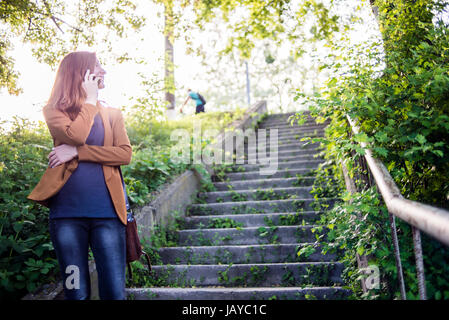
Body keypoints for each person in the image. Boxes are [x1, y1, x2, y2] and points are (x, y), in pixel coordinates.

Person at [27, 51, 132, 300]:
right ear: (81, 73)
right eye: (98, 67)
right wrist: (89, 103)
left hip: (107, 215)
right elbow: (75, 135)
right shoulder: (54, 111)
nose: (104, 72)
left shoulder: (112, 114)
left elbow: (124, 154)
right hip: (66, 218)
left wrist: (77, 153)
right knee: (76, 292)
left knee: (115, 293)